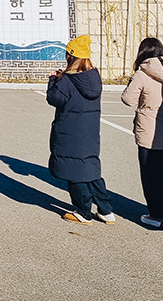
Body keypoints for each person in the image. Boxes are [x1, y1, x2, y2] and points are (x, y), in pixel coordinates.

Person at [47, 35, 115, 225]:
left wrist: (53, 80)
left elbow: (54, 99)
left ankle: (83, 211)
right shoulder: (93, 77)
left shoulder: (67, 80)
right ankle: (106, 210)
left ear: (71, 56)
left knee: (74, 171)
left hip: (69, 132)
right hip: (90, 132)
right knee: (90, 170)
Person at [121, 37, 163, 228]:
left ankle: (156, 214)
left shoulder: (142, 73)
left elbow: (127, 99)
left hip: (149, 130)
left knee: (151, 174)